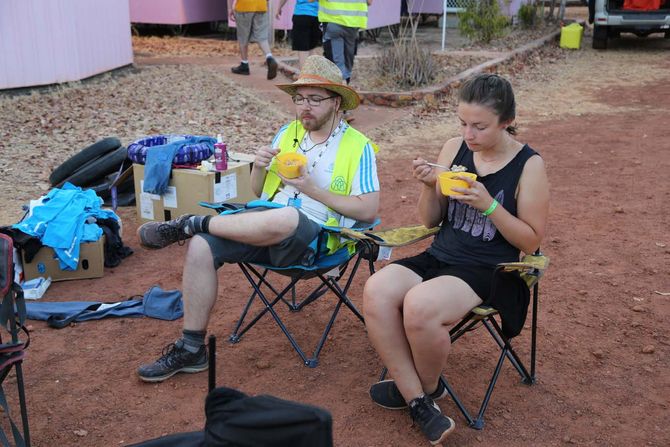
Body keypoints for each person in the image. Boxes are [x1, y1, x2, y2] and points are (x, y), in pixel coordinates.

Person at [136, 55, 380, 383]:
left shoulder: (358, 147)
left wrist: (312, 188)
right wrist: (261, 166)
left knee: (289, 217)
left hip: (315, 240)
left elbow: (368, 210)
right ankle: (191, 347)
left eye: (315, 99)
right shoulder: (288, 133)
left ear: (336, 102)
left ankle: (190, 221)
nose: (305, 107)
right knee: (200, 246)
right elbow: (258, 192)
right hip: (262, 227)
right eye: (300, 99)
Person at [362, 73, 549, 445]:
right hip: (441, 255)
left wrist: (490, 205)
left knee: (419, 306)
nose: (469, 135)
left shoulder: (528, 165)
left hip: (490, 269)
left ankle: (423, 391)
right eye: (463, 123)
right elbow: (430, 220)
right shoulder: (454, 148)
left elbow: (531, 240)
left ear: (506, 121)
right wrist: (430, 185)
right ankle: (418, 399)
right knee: (377, 289)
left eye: (479, 126)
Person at [318, 0, 373, 85]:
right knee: (348, 58)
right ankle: (344, 85)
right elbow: (369, 2)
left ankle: (340, 87)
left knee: (335, 61)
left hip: (333, 19)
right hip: (354, 22)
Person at [229, 0, 279, 79]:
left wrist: (231, 7)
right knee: (262, 37)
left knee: (243, 37)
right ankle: (270, 57)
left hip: (243, 6)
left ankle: (244, 65)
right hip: (261, 6)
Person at [276, 0, 321, 69]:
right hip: (316, 16)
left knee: (302, 49)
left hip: (300, 14)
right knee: (311, 48)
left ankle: (305, 76)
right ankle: (312, 75)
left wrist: (279, 8)